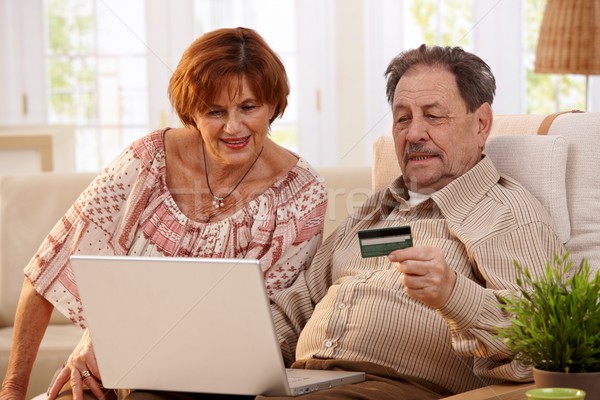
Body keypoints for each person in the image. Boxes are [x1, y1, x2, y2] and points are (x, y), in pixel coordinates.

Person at [0, 27, 327, 400]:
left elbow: (268, 326)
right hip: (113, 366)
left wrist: (116, 344)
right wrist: (12, 390)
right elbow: (46, 270)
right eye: (214, 111)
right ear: (192, 112)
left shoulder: (302, 193)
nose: (233, 127)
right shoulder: (147, 159)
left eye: (249, 107)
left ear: (273, 104)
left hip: (217, 379)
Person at [256, 44, 565, 399]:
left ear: (481, 124)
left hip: (397, 388)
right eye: (403, 118)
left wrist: (452, 293)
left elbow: (541, 347)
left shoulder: (506, 213)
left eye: (433, 116)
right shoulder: (374, 209)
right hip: (302, 380)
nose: (414, 133)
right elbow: (300, 305)